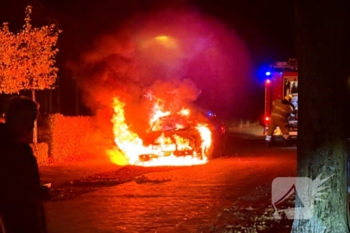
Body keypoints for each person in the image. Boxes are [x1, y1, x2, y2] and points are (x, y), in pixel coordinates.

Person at [0, 96, 47, 233]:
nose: (32, 126)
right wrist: (35, 194)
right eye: (31, 120)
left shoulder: (18, 148)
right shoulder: (12, 150)